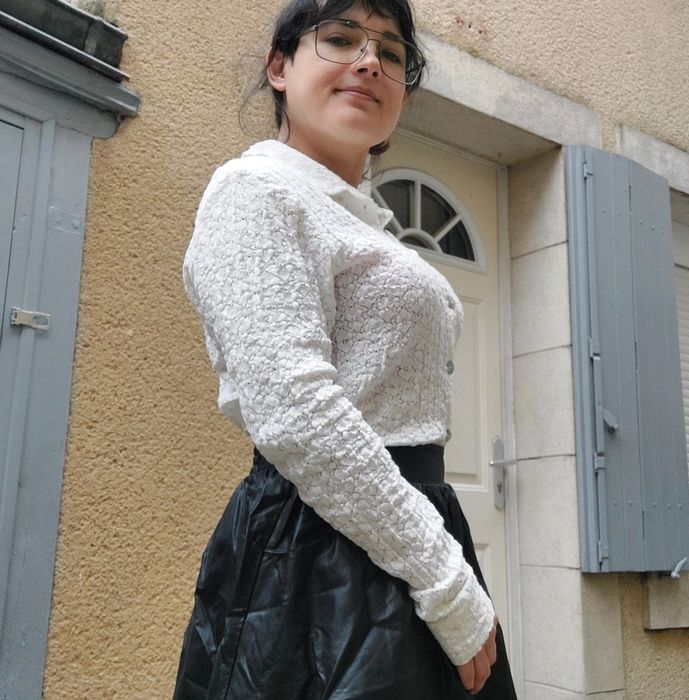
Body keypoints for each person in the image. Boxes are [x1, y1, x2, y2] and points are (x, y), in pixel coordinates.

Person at [173, 0, 518, 697]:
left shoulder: (361, 219)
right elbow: (296, 411)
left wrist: (440, 563)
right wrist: (445, 580)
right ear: (279, 66)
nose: (369, 62)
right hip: (318, 553)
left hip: (398, 529)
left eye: (391, 53)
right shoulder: (256, 190)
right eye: (339, 38)